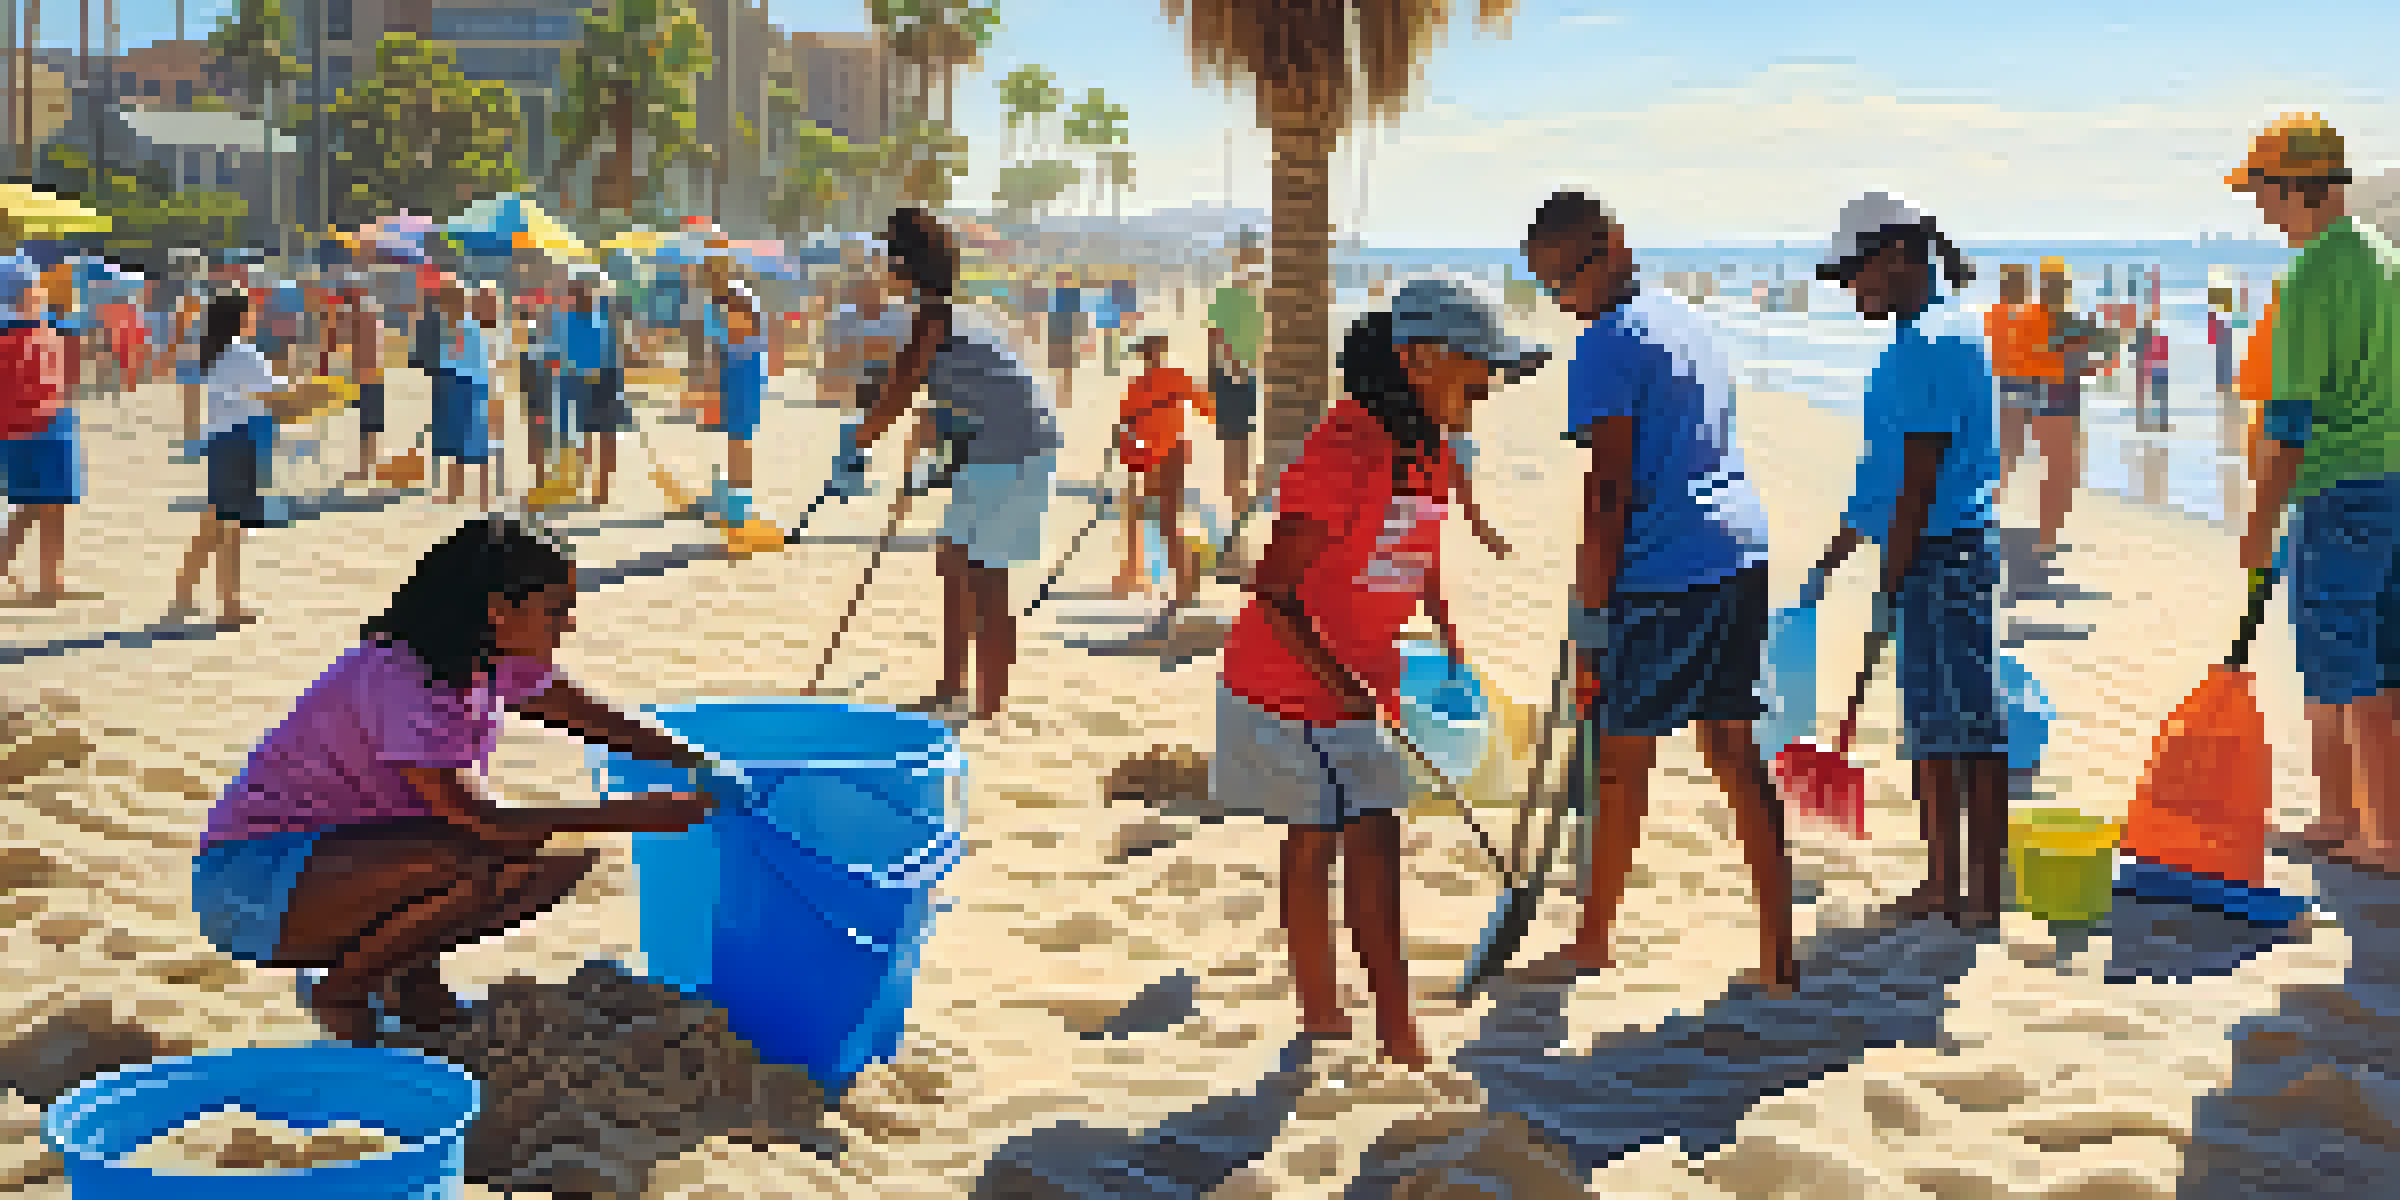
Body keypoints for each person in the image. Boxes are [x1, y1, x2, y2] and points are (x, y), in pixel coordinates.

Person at [189, 515, 732, 1044]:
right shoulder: (401, 676)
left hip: (352, 866)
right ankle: (344, 992)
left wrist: (702, 761)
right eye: (555, 610)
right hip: (250, 886)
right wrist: (626, 816)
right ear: (499, 611)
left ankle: (412, 982)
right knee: (478, 853)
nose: (567, 623)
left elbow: (597, 721)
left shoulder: (493, 660)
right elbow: (475, 819)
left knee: (558, 859)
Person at [1213, 275, 1546, 1068]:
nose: (1491, 387)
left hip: (1365, 677)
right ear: (1419, 358)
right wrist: (1340, 682)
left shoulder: (1427, 441)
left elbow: (1419, 532)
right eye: (1481, 369)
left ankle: (1390, 1029)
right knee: (1322, 839)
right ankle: (1340, 1021)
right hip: (1282, 682)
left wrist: (1440, 617)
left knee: (1369, 838)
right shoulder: (1343, 449)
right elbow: (1276, 589)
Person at [1517, 191, 1793, 991]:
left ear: (1614, 246)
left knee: (1618, 761)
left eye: (1568, 280)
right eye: (1548, 288)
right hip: (1741, 550)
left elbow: (1609, 491)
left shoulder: (1605, 347)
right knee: (1736, 755)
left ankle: (1592, 941)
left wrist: (1590, 609)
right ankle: (1781, 959)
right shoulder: (1691, 321)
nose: (1564, 303)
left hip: (1665, 571)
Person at [1807, 191, 2009, 930]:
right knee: (1931, 725)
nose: (1853, 289)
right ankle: (1941, 884)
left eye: (1857, 273)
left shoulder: (1930, 342)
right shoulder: (1916, 339)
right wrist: (1840, 551)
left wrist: (1891, 580)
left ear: (1897, 257)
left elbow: (1921, 475)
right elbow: (1883, 471)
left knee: (1971, 728)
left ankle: (1980, 894)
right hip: (1922, 546)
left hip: (1944, 551)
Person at [2232, 114, 2400, 873]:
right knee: (2378, 664)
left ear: (2296, 186)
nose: (2261, 208)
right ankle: (2343, 817)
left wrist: (2260, 523)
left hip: (2340, 490)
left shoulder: (2310, 275)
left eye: (2263, 190)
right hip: (2394, 483)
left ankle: (2384, 837)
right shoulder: (2380, 256)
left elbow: (2290, 421)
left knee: (2344, 666)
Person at [838, 208, 1063, 723]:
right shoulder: (955, 316)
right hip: (990, 446)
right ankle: (951, 688)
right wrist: (911, 467)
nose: (881, 269)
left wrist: (856, 447)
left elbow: (897, 396)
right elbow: (939, 406)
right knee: (954, 560)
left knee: (987, 577)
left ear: (905, 265)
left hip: (1013, 447)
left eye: (887, 257)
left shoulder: (933, 319)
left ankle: (987, 708)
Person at [169, 289, 283, 629]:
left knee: (215, 523)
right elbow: (276, 396)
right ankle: (227, 605)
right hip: (242, 442)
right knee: (230, 528)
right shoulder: (246, 354)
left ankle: (184, 595)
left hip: (219, 441)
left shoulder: (210, 351)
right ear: (240, 317)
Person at [0, 257, 77, 605]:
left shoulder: (41, 326)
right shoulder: (36, 329)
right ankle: (50, 582)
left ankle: (51, 580)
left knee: (37, 504)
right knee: (49, 504)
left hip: (20, 429)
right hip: (45, 426)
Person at [1115, 334, 1211, 608]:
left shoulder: (1145, 385)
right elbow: (1206, 407)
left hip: (1163, 459)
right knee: (1160, 519)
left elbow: (1126, 430)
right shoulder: (1165, 381)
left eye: (1149, 351)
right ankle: (1179, 577)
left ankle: (1183, 581)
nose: (1149, 356)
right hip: (1163, 458)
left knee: (1162, 521)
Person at [2029, 260, 2101, 558]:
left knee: (2058, 472)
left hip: (2041, 405)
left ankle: (2049, 534)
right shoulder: (2069, 322)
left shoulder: (2032, 322)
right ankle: (2047, 537)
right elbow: (2080, 367)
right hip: (2061, 407)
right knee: (2063, 473)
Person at [558, 270, 631, 509]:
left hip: (607, 381)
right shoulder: (566, 321)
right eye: (574, 291)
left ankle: (603, 488)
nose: (578, 295)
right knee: (583, 439)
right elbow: (561, 356)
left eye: (582, 289)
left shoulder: (607, 315)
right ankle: (585, 483)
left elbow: (619, 348)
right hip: (579, 384)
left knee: (607, 438)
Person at [1986, 264, 2055, 496]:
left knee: (2009, 445)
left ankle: (1994, 491)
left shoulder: (1995, 314)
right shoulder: (2032, 314)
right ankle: (1994, 492)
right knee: (2013, 447)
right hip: (2025, 384)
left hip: (2006, 383)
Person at [1206, 255, 1265, 517]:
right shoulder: (1228, 298)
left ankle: (1239, 497)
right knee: (1234, 441)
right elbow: (1215, 337)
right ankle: (1236, 500)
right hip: (1229, 376)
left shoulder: (1255, 300)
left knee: (1241, 439)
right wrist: (1218, 371)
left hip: (1245, 376)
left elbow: (1260, 340)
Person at [710, 276, 769, 527]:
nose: (728, 316)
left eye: (734, 310)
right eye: (727, 310)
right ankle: (733, 494)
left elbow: (751, 377)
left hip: (744, 401)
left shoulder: (750, 343)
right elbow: (719, 371)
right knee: (733, 447)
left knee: (740, 447)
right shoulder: (729, 340)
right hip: (732, 399)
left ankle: (740, 502)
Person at [341, 272, 389, 484]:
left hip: (368, 378)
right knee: (367, 427)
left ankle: (366, 469)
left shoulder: (365, 316)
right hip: (366, 377)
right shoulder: (365, 314)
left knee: (368, 427)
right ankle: (367, 468)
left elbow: (368, 350)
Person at [1046, 269, 1083, 408]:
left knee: (1066, 367)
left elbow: (1077, 317)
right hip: (1061, 335)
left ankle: (1064, 396)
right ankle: (1062, 395)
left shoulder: (1071, 295)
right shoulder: (1060, 296)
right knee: (1062, 367)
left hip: (1067, 335)